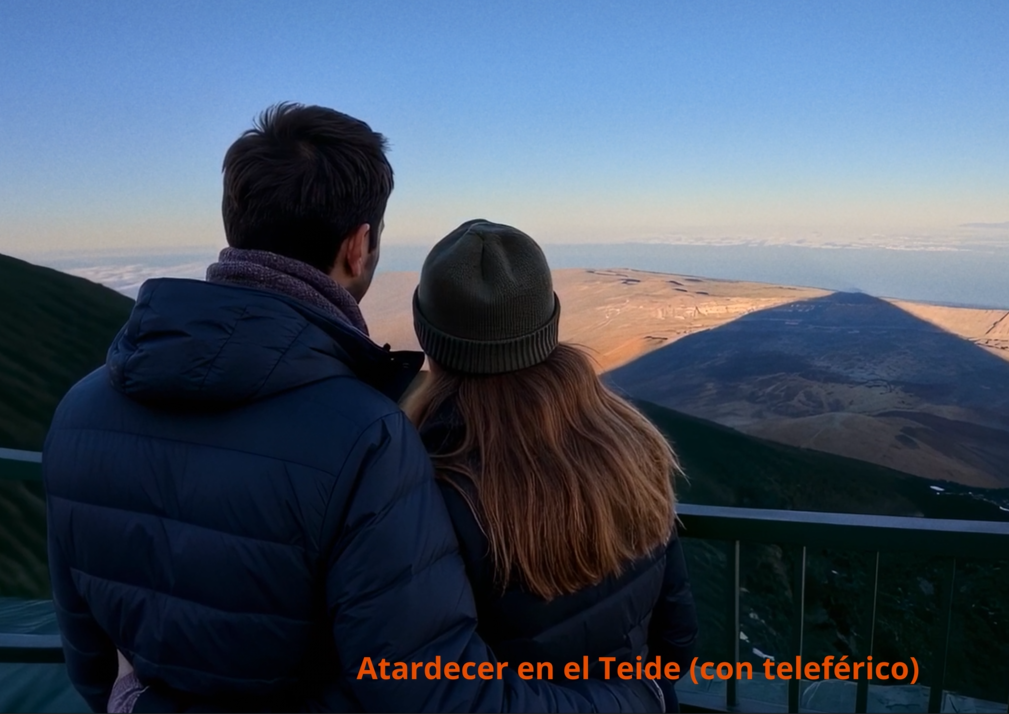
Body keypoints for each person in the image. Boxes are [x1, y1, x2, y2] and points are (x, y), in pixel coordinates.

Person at [42, 104, 660, 713]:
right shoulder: (364, 437)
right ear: (359, 245)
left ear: (236, 221)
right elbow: (423, 694)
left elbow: (92, 662)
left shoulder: (78, 412)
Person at [400, 220, 698, 712]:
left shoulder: (426, 484)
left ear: (430, 339)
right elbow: (677, 633)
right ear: (548, 322)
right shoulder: (634, 443)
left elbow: (433, 681)